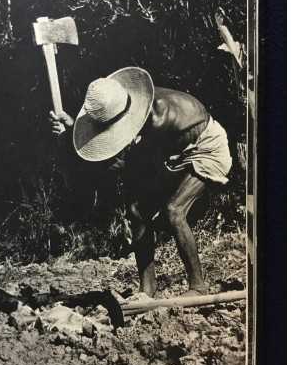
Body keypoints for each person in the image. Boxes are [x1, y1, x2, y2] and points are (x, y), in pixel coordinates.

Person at [49, 67, 232, 297]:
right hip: (172, 153)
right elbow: (118, 156)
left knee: (173, 211)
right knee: (136, 211)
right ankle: (147, 289)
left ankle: (198, 286)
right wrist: (71, 133)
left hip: (204, 147)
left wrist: (70, 142)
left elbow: (124, 166)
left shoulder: (157, 118)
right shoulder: (121, 105)